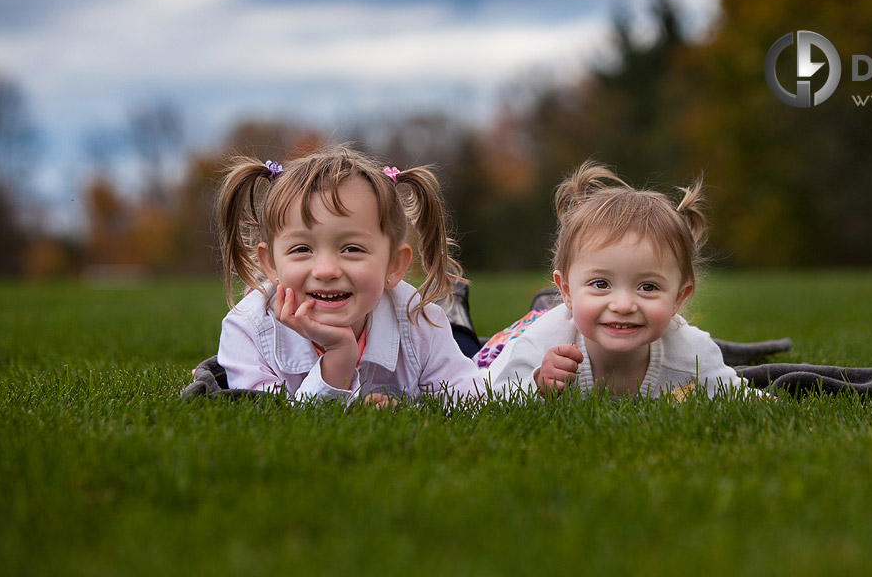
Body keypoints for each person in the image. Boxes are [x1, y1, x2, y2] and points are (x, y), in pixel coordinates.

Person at [212, 144, 482, 406]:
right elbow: (273, 420)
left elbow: (470, 400)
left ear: (394, 266)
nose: (327, 270)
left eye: (352, 249)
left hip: (421, 316)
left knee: (471, 349)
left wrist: (408, 409)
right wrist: (339, 355)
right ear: (270, 265)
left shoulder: (420, 320)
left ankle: (453, 306)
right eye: (302, 249)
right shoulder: (246, 329)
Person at [482, 161, 756, 399]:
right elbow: (487, 397)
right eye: (601, 284)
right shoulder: (542, 344)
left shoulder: (692, 353)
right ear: (565, 289)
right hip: (517, 336)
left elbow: (737, 394)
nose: (624, 305)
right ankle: (538, 305)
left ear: (679, 298)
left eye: (648, 287)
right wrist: (537, 386)